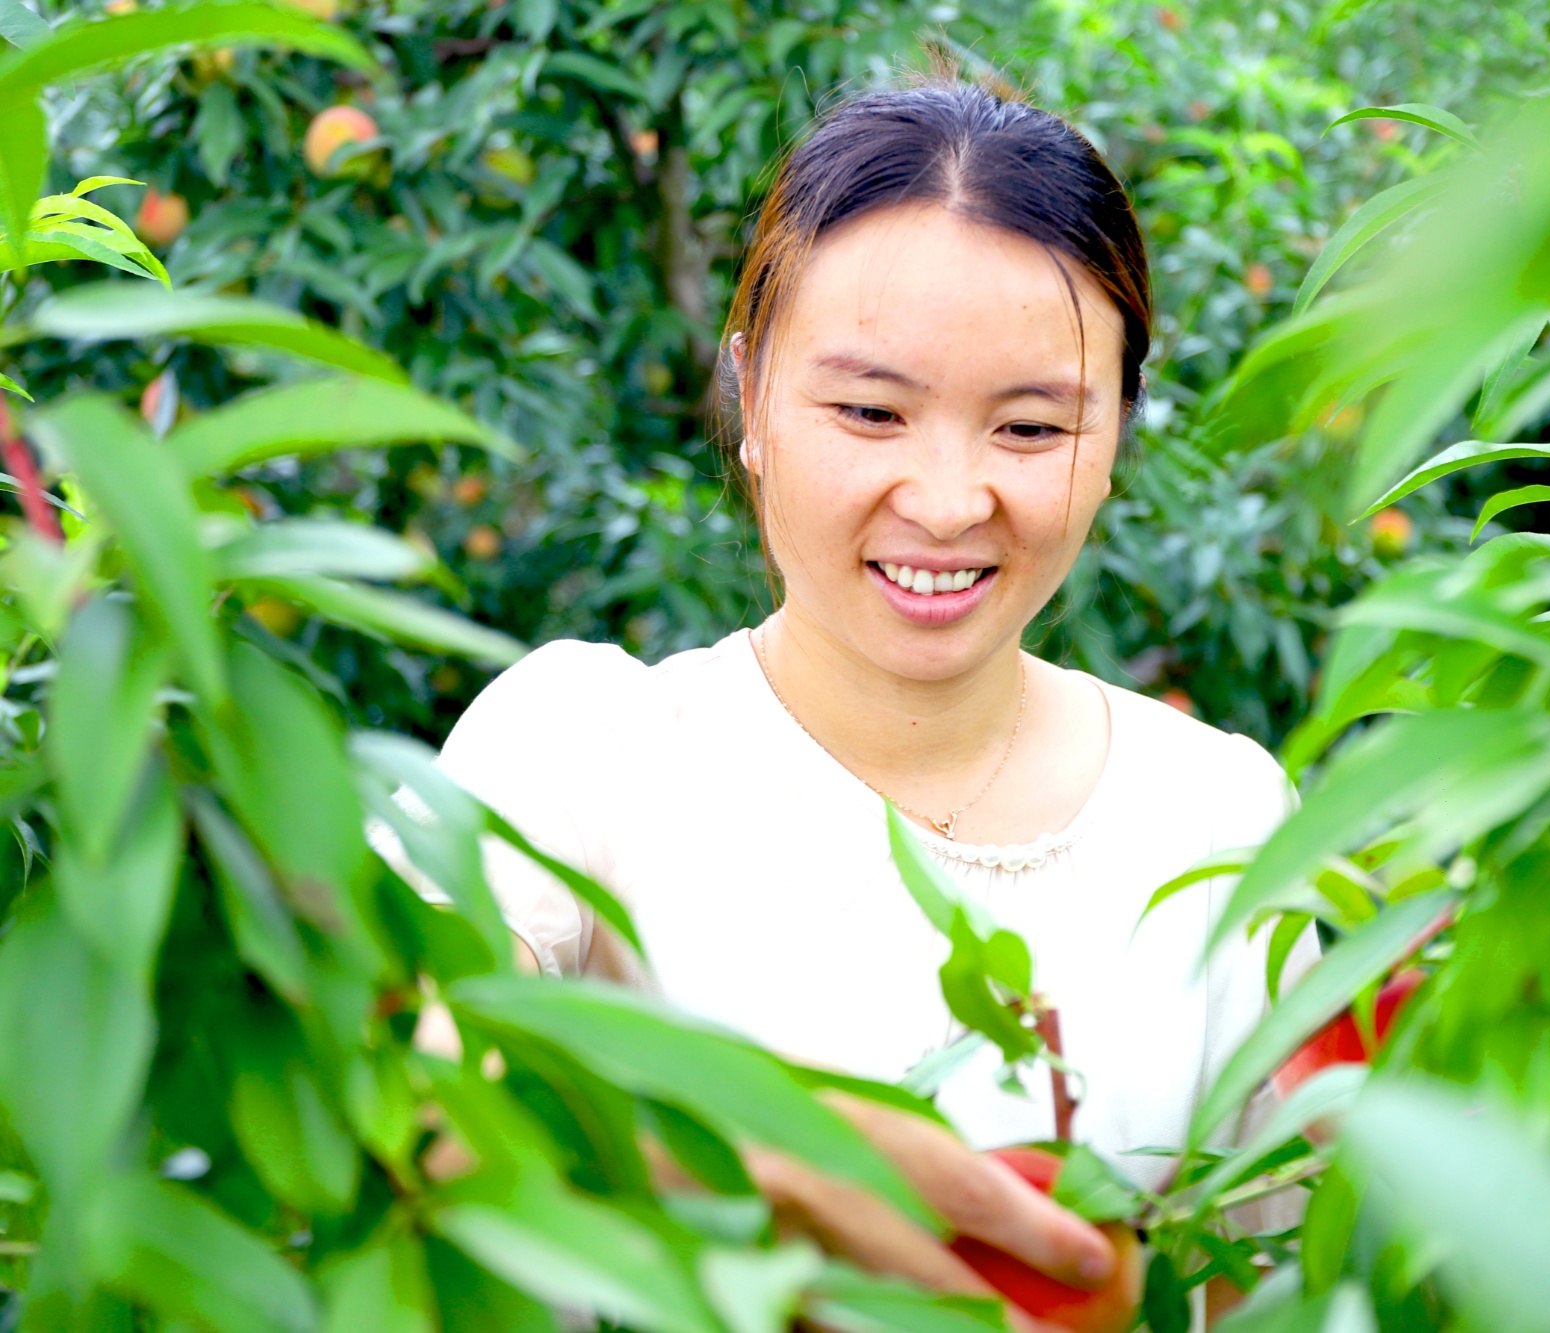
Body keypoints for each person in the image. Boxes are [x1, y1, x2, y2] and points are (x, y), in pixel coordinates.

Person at [433, 75, 1296, 1313]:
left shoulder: (1223, 822)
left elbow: (1271, 1281)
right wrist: (743, 1153)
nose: (947, 501)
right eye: (869, 410)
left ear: (1115, 433)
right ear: (751, 398)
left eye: (1032, 428)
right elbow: (393, 1104)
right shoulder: (582, 754)